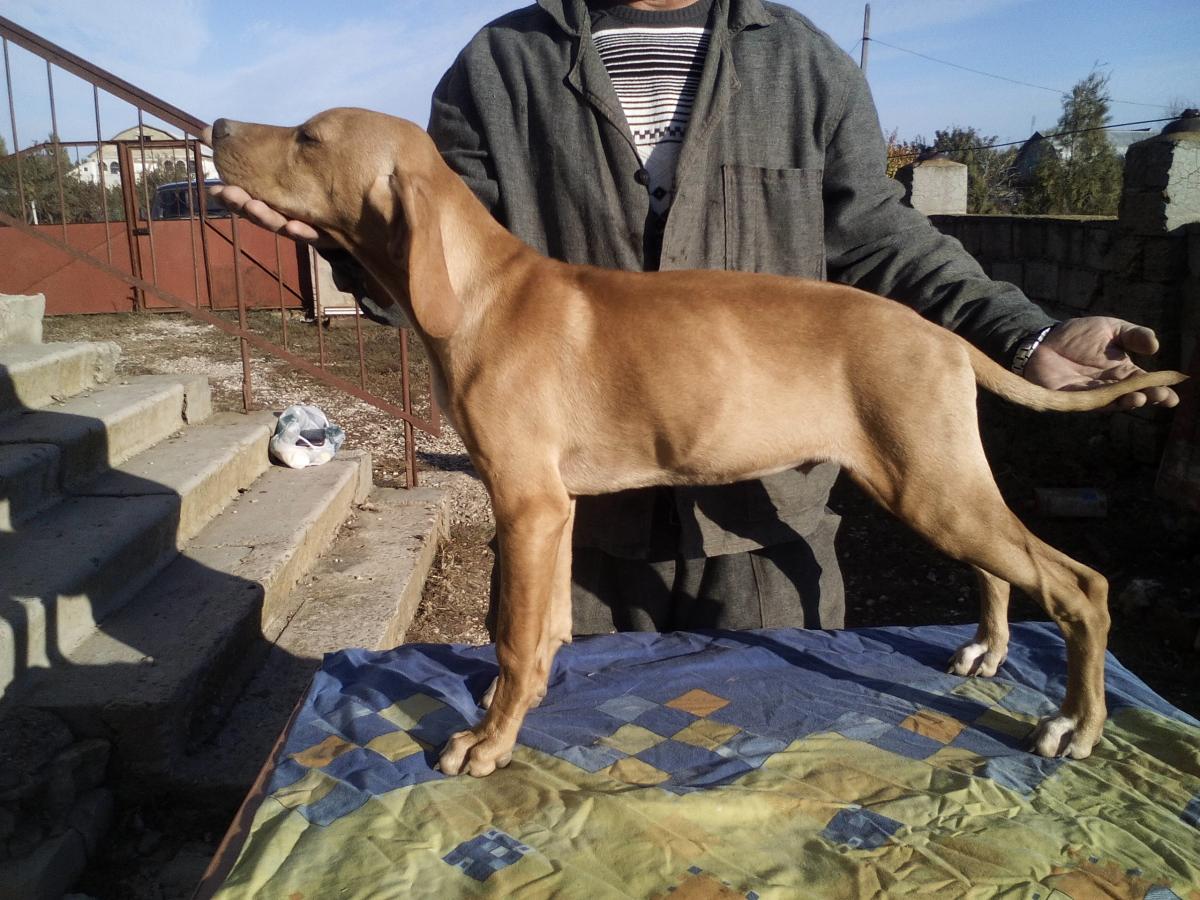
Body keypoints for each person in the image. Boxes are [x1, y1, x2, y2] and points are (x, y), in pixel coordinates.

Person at [211, 0, 1179, 641]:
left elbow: (885, 239)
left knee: (772, 800)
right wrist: (343, 245)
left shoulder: (802, 60)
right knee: (581, 806)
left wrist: (1026, 336)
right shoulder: (498, 65)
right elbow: (436, 259)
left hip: (767, 532)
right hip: (581, 548)